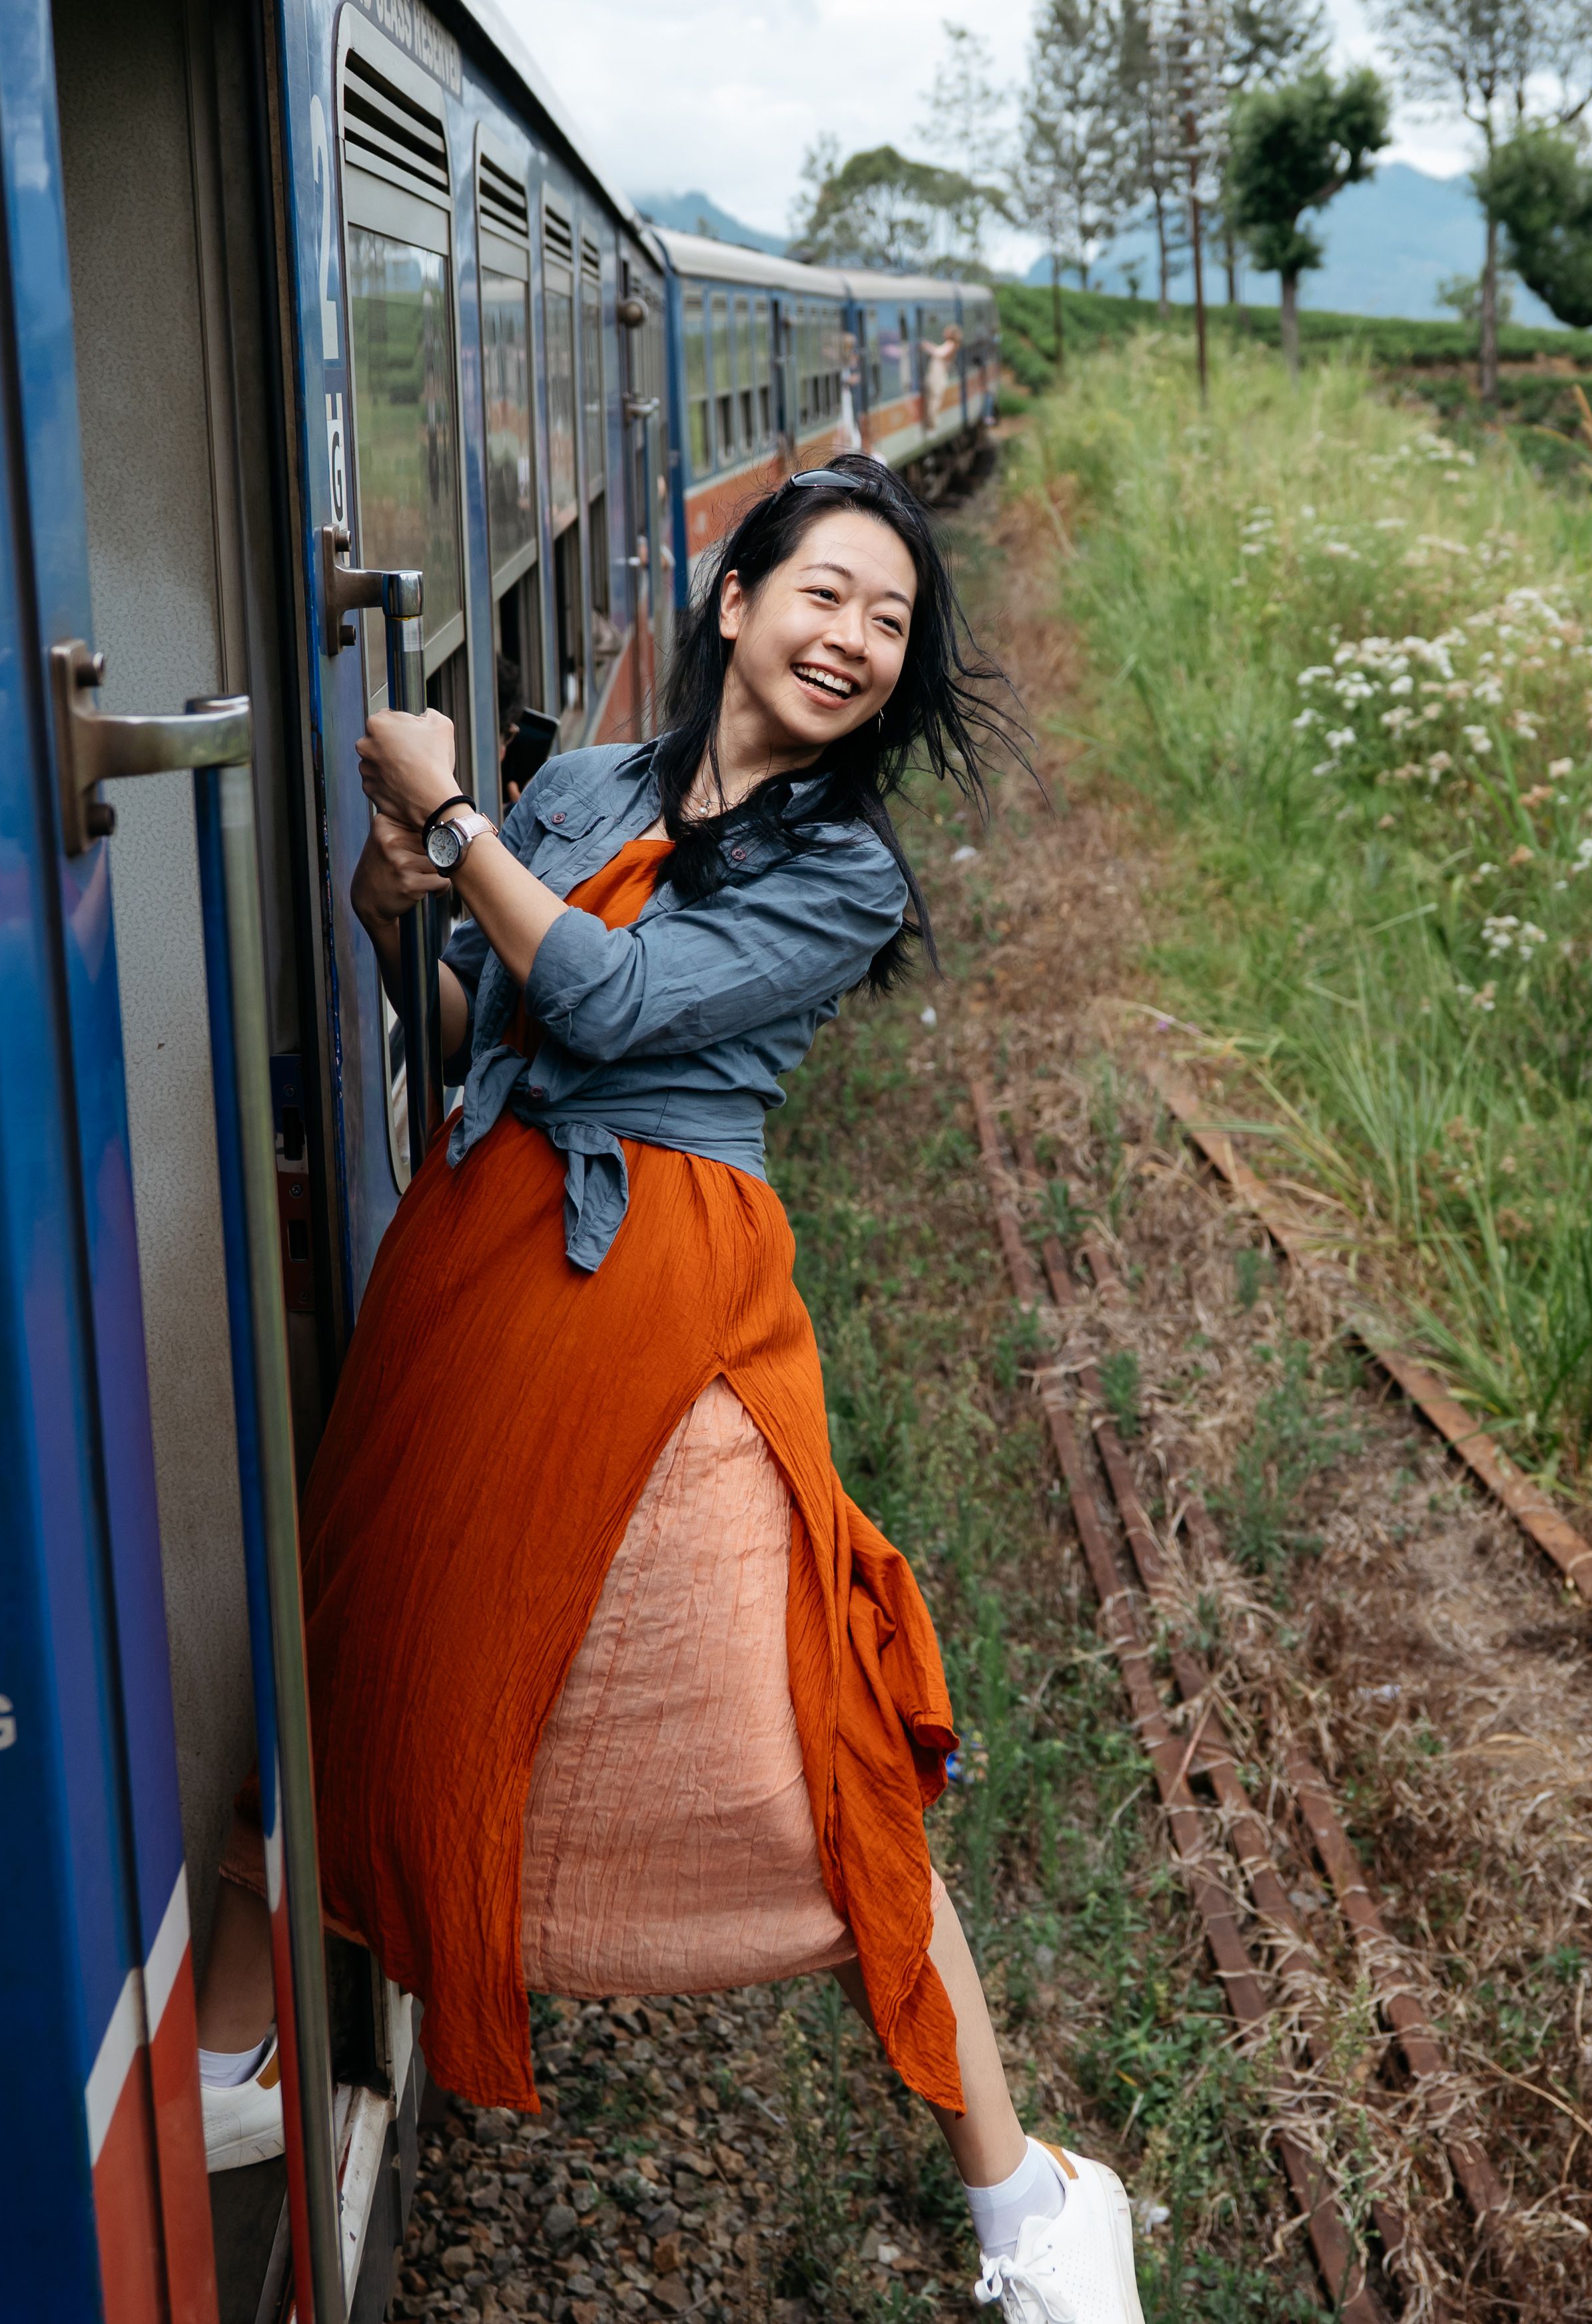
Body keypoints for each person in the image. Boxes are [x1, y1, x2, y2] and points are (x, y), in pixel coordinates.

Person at [183, 452, 1143, 2323]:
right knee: (374, 1639)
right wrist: (400, 904)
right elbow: (476, 1024)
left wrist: (450, 821)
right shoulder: (593, 791)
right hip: (474, 1273)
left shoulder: (845, 868)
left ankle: (1028, 2196)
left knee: (814, 1725)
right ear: (733, 601)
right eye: (826, 594)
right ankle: (241, 2029)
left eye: (892, 621)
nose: (855, 638)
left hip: (663, 1292)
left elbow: (615, 1007)